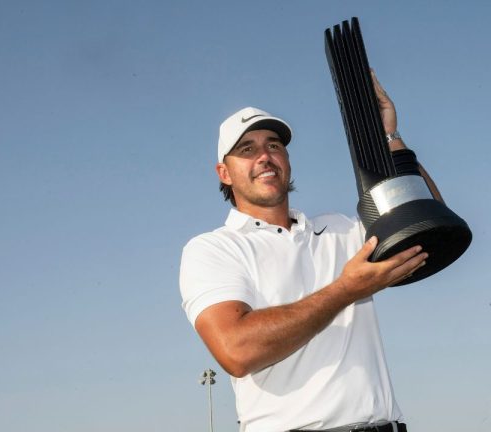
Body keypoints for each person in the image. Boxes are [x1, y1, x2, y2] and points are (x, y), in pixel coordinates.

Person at [179, 72, 442, 432]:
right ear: (224, 173)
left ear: (287, 159)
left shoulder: (341, 229)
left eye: (274, 145)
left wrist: (388, 138)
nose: (264, 157)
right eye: (247, 150)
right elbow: (236, 351)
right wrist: (346, 289)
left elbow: (423, 222)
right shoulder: (215, 249)